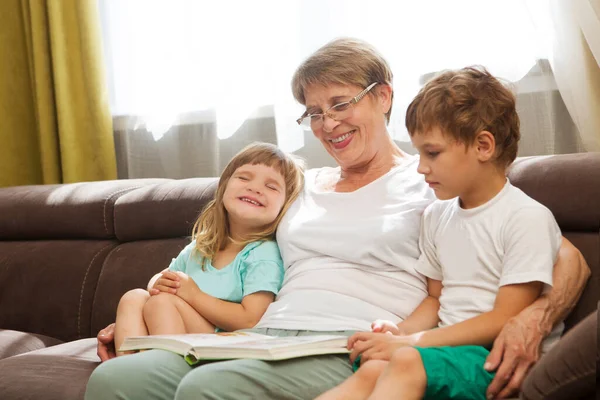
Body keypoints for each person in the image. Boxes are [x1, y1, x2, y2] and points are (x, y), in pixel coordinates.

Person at [86, 38, 590, 400]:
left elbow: (565, 256)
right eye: (314, 112)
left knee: (209, 388)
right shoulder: (301, 185)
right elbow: (239, 260)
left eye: (340, 103)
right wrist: (155, 313)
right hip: (262, 338)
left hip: (345, 343)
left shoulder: (435, 177)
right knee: (115, 380)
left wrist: (536, 318)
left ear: (384, 96)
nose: (328, 124)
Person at [316, 66, 564, 400]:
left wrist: (408, 343)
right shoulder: (436, 215)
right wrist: (399, 331)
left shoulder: (526, 217)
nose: (420, 167)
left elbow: (506, 317)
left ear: (483, 146)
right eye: (418, 152)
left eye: (432, 153)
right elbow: (436, 298)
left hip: (496, 358)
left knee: (402, 360)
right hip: (444, 349)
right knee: (375, 365)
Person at [112, 142, 305, 355]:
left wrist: (193, 295)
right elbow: (164, 278)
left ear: (285, 207)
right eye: (244, 177)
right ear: (223, 187)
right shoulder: (200, 247)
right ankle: (123, 368)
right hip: (181, 329)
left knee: (162, 304)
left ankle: (163, 371)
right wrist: (156, 283)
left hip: (224, 345)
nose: (255, 188)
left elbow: (251, 320)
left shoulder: (263, 254)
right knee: (134, 297)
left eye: (271, 186)